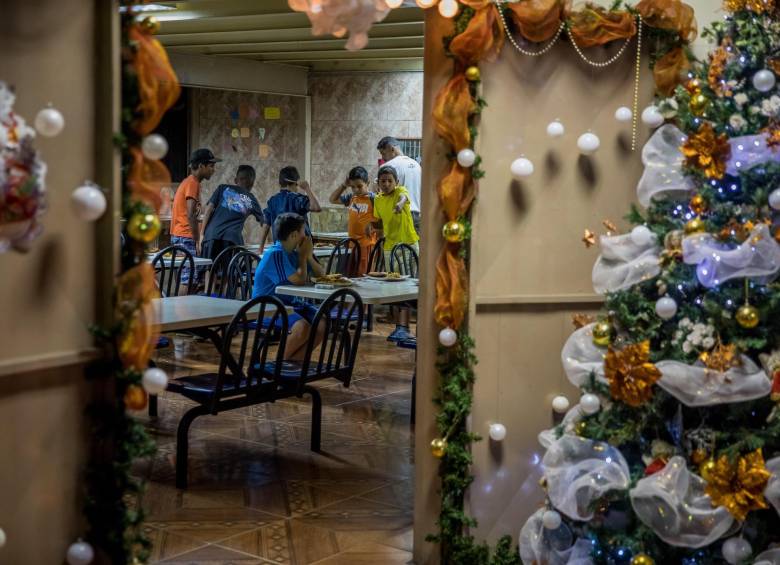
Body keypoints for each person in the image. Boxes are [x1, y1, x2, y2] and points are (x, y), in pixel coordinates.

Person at [252, 213, 326, 361]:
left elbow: (321, 275)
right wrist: (303, 256)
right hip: (267, 307)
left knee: (322, 322)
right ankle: (280, 365)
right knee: (302, 327)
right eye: (304, 231)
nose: (306, 236)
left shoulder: (294, 252)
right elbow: (299, 280)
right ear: (294, 235)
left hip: (289, 304)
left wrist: (308, 255)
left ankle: (293, 363)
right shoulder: (275, 254)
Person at [366, 165, 419, 342]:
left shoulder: (400, 192)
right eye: (383, 181)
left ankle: (405, 327)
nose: (387, 184)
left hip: (407, 245)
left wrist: (400, 204)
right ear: (378, 183)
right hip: (389, 247)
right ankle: (399, 327)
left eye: (390, 181)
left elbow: (404, 198)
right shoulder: (378, 200)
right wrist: (371, 225)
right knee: (395, 288)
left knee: (407, 287)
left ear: (396, 182)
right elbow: (381, 222)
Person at [170, 148, 220, 286]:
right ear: (201, 166)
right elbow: (191, 214)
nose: (213, 170)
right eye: (211, 166)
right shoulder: (192, 183)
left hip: (182, 236)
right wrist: (197, 239)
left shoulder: (191, 182)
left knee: (189, 280)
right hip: (185, 237)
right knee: (188, 282)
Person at [200, 165, 263, 260]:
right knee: (229, 268)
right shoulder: (251, 199)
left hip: (211, 235)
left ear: (235, 180)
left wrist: (201, 234)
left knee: (208, 266)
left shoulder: (222, 188)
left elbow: (208, 209)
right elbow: (265, 222)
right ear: (252, 183)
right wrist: (263, 245)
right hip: (231, 240)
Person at [328, 165, 378, 276]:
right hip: (351, 244)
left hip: (367, 245)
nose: (356, 190)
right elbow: (332, 199)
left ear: (368, 183)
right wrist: (344, 185)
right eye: (352, 187)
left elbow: (382, 220)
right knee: (349, 276)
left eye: (359, 186)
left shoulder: (374, 199)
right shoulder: (352, 197)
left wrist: (373, 225)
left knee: (364, 276)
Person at [259, 166, 321, 252]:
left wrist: (261, 248)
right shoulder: (298, 199)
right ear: (295, 183)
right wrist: (307, 188)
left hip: (281, 250)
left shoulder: (272, 201)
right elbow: (316, 208)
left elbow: (266, 225)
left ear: (280, 183)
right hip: (299, 250)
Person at [376, 136, 422, 235]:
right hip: (417, 216)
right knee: (415, 244)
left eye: (383, 153)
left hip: (398, 214)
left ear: (391, 149)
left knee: (395, 244)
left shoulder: (388, 166)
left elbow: (380, 193)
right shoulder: (417, 165)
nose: (383, 158)